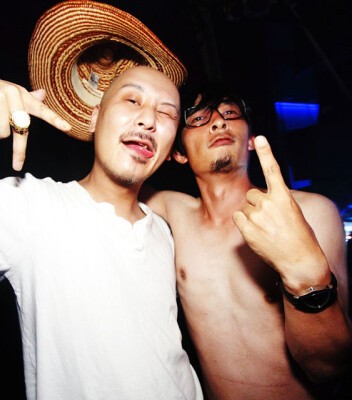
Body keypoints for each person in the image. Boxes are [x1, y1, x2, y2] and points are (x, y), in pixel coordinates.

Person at [0, 63, 203, 400]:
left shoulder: (164, 232)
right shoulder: (33, 208)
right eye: (132, 100)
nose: (148, 119)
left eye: (166, 113)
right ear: (94, 117)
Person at [142, 84, 352, 399]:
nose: (218, 122)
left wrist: (304, 273)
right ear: (178, 153)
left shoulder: (310, 212)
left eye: (230, 113)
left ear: (252, 139)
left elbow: (328, 367)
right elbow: (113, 179)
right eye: (198, 118)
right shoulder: (173, 210)